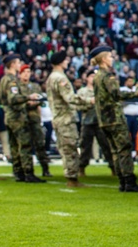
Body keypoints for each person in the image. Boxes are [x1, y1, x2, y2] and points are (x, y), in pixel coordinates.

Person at [90, 45, 138, 192]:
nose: (112, 59)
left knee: (115, 151)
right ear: (103, 59)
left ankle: (122, 181)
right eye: (110, 56)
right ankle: (129, 181)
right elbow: (117, 94)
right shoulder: (107, 75)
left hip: (104, 119)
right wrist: (136, 93)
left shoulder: (96, 76)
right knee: (124, 149)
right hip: (114, 117)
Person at [44, 51, 93, 188]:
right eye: (65, 59)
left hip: (58, 117)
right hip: (65, 118)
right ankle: (72, 178)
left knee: (66, 148)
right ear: (60, 62)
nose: (67, 61)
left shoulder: (51, 77)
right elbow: (70, 98)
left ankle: (71, 176)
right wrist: (89, 100)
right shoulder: (60, 78)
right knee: (70, 148)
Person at [0, 54, 44, 183]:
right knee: (24, 145)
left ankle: (18, 172)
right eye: (18, 63)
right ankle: (28, 172)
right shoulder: (12, 80)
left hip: (9, 116)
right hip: (17, 117)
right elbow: (13, 99)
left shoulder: (4, 79)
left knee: (14, 146)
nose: (20, 65)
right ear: (13, 64)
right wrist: (28, 97)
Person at [78, 67, 115, 176]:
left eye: (95, 77)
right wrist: (89, 102)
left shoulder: (102, 90)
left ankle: (113, 167)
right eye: (91, 76)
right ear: (87, 78)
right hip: (87, 121)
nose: (93, 79)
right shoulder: (82, 91)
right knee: (85, 146)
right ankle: (81, 167)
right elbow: (78, 105)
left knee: (106, 145)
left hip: (101, 121)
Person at [19, 64, 52, 177]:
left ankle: (45, 168)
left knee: (40, 143)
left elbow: (40, 100)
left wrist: (35, 103)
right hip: (23, 118)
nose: (27, 74)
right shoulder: (17, 86)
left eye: (28, 71)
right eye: (24, 72)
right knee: (25, 145)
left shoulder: (35, 86)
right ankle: (26, 169)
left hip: (34, 117)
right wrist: (28, 101)